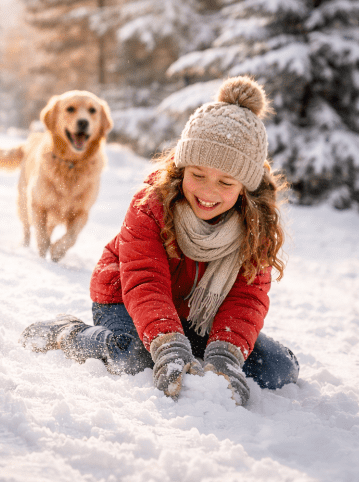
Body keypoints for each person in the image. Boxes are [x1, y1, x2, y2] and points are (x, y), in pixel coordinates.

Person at [20, 76, 299, 406]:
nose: (208, 192)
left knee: (277, 370)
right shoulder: (151, 205)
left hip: (195, 314)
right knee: (136, 358)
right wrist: (168, 345)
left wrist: (225, 358)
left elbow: (247, 297)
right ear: (181, 169)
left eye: (225, 182)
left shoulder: (256, 225)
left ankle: (182, 344)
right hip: (125, 297)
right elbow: (145, 282)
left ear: (246, 187)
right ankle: (68, 333)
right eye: (197, 175)